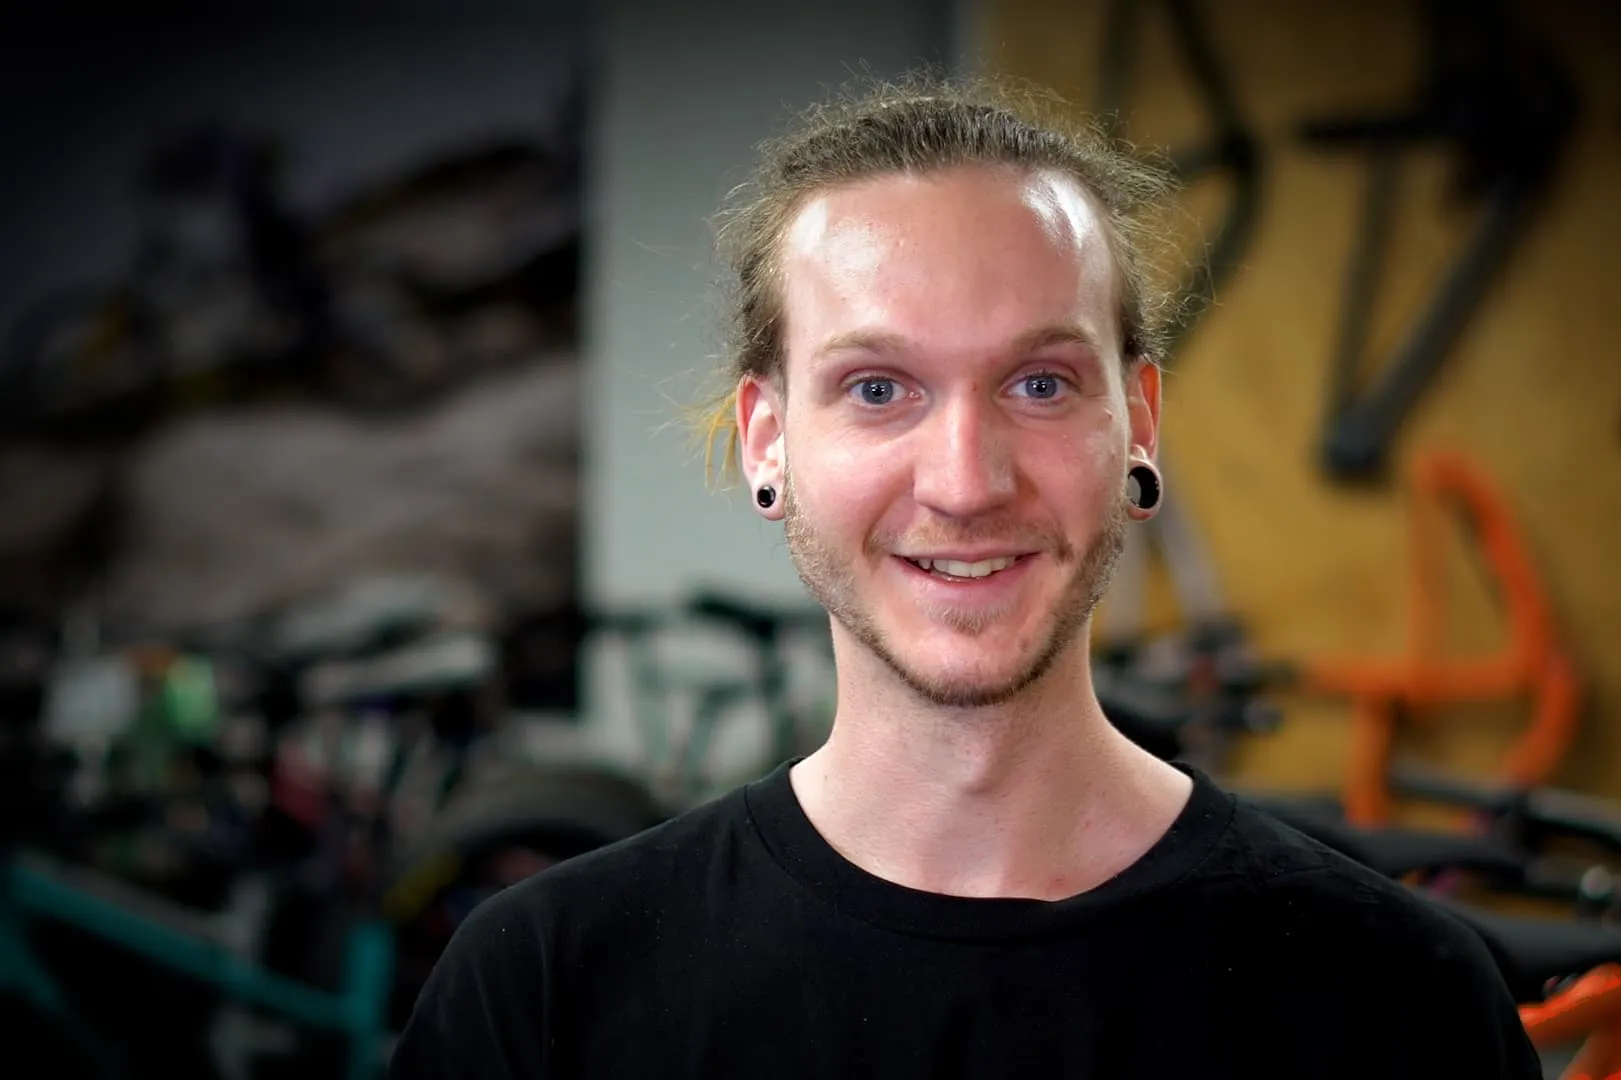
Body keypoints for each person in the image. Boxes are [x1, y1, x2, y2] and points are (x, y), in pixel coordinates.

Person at [388, 73, 1543, 1079]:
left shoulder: (1398, 996)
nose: (967, 480)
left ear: (1136, 420)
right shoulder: (544, 993)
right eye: (879, 388)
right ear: (768, 439)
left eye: (1039, 384)